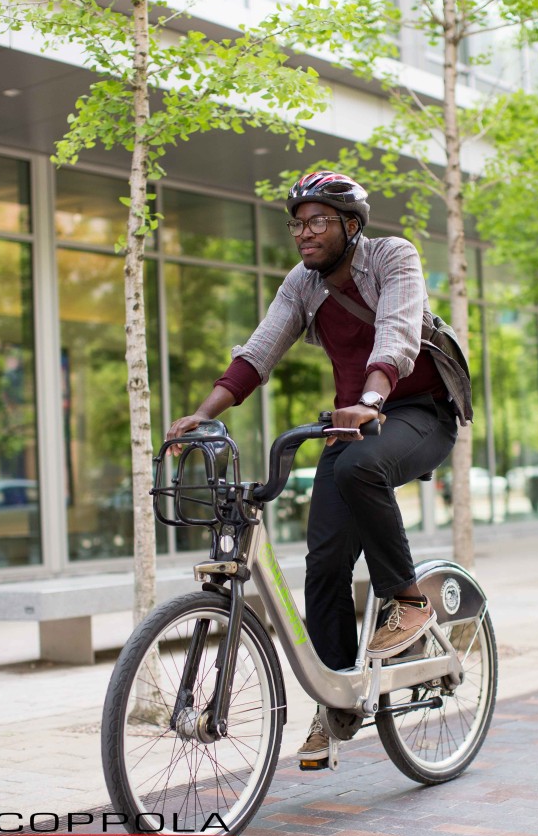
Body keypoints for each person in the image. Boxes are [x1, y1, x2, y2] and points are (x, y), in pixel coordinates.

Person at [166, 171, 472, 766]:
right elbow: (258, 353)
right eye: (298, 223)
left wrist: (373, 399)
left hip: (418, 410)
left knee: (359, 468)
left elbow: (398, 332)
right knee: (324, 560)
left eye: (319, 221)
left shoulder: (392, 257)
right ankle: (338, 703)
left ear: (351, 226)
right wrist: (202, 415)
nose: (304, 233)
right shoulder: (302, 285)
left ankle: (408, 600)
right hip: (352, 422)